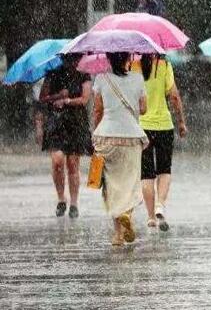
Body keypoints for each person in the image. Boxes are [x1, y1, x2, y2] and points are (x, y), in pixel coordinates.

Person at [92, 52, 148, 246]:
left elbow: (97, 110)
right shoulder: (138, 78)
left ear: (108, 58)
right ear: (128, 59)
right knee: (130, 183)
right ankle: (126, 216)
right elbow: (143, 109)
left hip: (106, 136)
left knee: (111, 185)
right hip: (131, 137)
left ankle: (117, 235)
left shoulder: (101, 77)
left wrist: (95, 133)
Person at [136, 55, 187, 231]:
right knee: (164, 170)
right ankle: (160, 205)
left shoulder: (134, 66)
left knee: (146, 174)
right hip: (164, 125)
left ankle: (150, 217)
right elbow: (173, 95)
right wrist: (181, 121)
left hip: (142, 126)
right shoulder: (164, 64)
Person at [39, 54, 92, 219]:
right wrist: (59, 96)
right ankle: (61, 199)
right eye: (69, 58)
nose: (72, 62)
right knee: (57, 161)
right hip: (56, 124)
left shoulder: (84, 74)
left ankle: (74, 203)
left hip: (76, 124)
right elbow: (43, 98)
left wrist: (67, 101)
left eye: (75, 58)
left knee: (73, 165)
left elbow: (84, 99)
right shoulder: (53, 73)